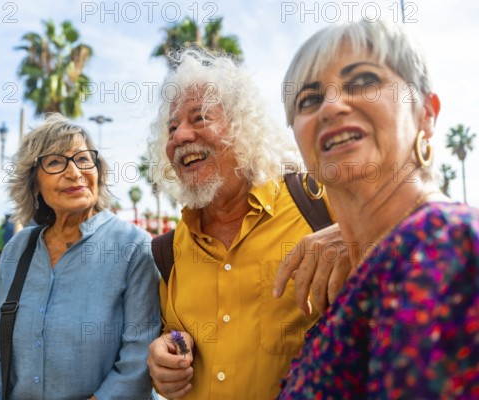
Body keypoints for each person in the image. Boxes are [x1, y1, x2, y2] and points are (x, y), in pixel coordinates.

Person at [275, 19, 479, 398]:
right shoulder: (359, 279)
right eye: (309, 100)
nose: (332, 106)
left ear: (427, 113)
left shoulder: (451, 245)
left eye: (363, 81)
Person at [146, 47, 330, 399]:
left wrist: (349, 233)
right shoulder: (168, 251)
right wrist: (163, 354)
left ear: (242, 129)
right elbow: (172, 334)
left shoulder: (319, 204)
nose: (180, 136)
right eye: (172, 127)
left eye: (199, 118)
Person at [0, 114, 161, 399]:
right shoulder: (17, 250)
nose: (74, 172)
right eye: (56, 162)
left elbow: (136, 365)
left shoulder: (135, 248)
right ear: (34, 183)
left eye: (83, 159)